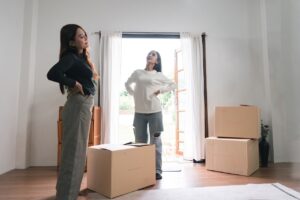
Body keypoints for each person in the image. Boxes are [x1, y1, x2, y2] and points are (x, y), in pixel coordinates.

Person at [47, 24, 98, 200]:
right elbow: (53, 73)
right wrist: (73, 83)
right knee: (75, 152)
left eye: (85, 36)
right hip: (79, 104)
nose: (85, 39)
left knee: (76, 151)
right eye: (81, 36)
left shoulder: (81, 57)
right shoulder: (70, 57)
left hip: (83, 104)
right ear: (71, 41)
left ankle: (65, 193)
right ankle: (66, 196)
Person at [125, 50, 176, 180]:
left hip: (155, 111)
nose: (150, 55)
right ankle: (140, 168)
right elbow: (127, 84)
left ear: (157, 61)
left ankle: (157, 171)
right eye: (149, 53)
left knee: (156, 142)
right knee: (139, 142)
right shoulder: (138, 73)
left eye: (153, 54)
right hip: (139, 113)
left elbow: (173, 84)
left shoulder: (158, 75)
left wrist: (161, 90)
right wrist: (133, 94)